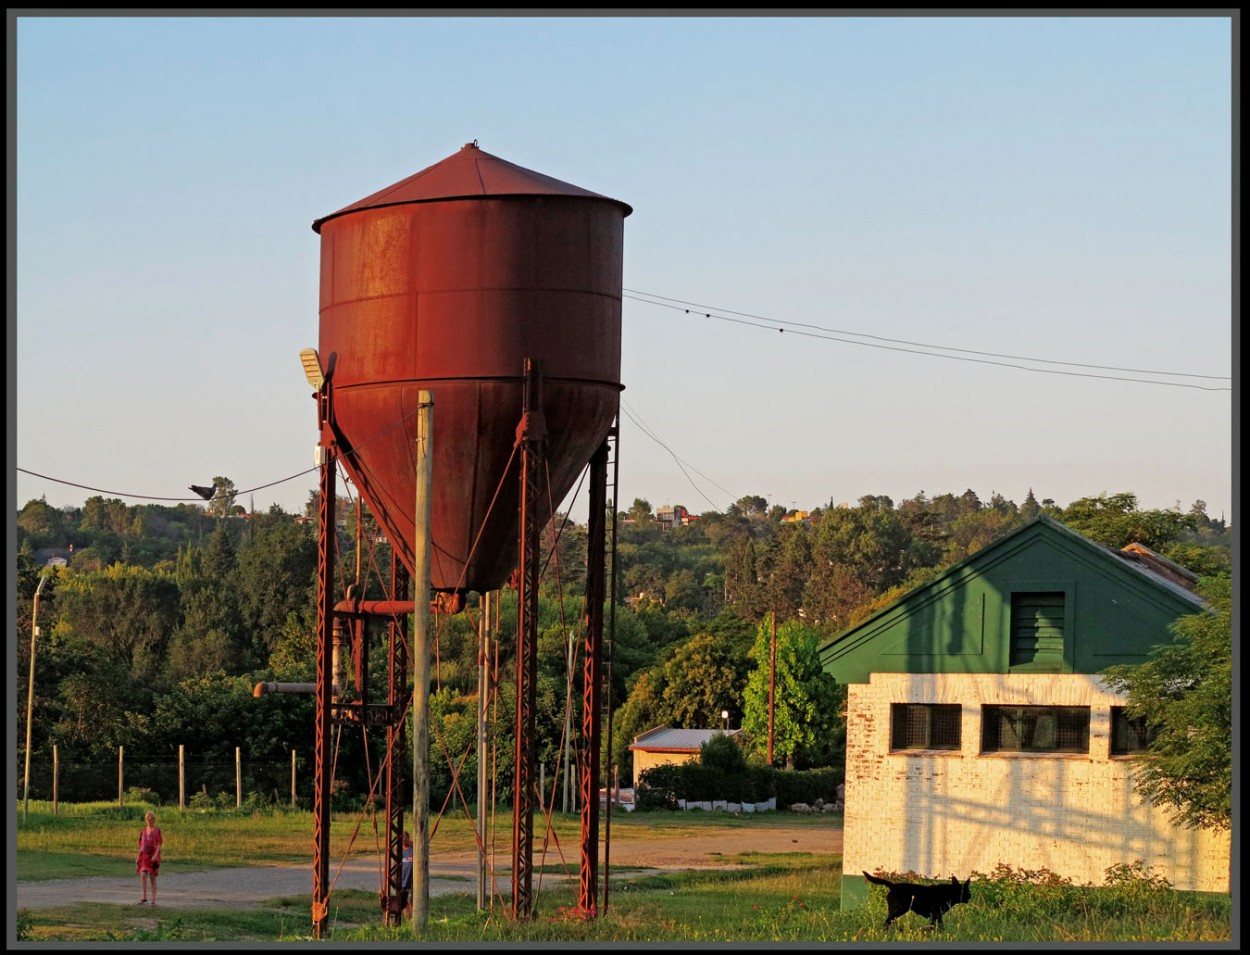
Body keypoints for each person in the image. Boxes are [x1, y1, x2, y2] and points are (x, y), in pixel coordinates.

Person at [136, 810, 163, 906]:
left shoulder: (157, 831)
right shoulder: (143, 831)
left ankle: (153, 900)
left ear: (154, 820)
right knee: (143, 875)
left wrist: (156, 854)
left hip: (153, 856)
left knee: (152, 877)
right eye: (147, 819)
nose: (149, 821)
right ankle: (144, 897)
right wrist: (138, 856)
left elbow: (159, 843)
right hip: (144, 856)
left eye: (151, 819)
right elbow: (141, 845)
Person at [400, 831, 414, 919]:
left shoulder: (414, 849)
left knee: (411, 900)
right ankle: (407, 919)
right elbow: (395, 864)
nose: (404, 842)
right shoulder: (400, 851)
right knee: (404, 902)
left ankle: (414, 918)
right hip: (403, 880)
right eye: (402, 841)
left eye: (405, 840)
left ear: (409, 838)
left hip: (412, 880)